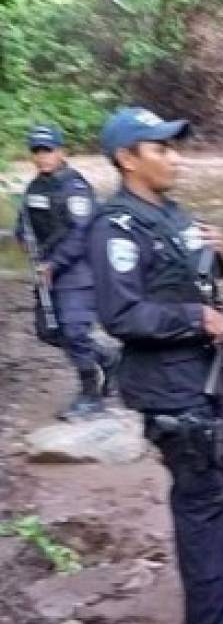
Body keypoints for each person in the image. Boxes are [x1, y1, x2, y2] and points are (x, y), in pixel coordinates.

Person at [88, 106, 223, 624]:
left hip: (205, 377)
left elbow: (192, 282)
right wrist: (193, 319)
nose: (175, 157)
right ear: (126, 159)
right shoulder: (114, 228)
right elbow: (121, 317)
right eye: (160, 149)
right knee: (199, 498)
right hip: (171, 386)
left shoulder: (170, 215)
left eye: (174, 147)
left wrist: (216, 255)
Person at [16, 124, 120, 419]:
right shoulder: (35, 187)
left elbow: (82, 233)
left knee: (74, 331)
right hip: (46, 270)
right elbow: (26, 223)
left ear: (61, 152)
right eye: (36, 151)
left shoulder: (75, 187)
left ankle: (91, 393)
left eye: (47, 150)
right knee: (49, 331)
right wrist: (23, 238)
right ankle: (108, 357)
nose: (41, 156)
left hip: (77, 271)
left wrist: (54, 263)